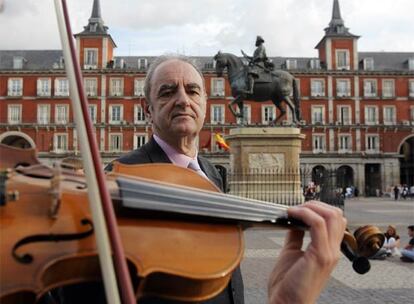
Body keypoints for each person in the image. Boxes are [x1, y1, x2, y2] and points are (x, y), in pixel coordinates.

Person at [110, 54, 346, 304]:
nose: (183, 100)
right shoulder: (123, 176)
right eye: (168, 92)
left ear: (204, 103)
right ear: (148, 108)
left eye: (192, 91)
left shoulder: (211, 172)